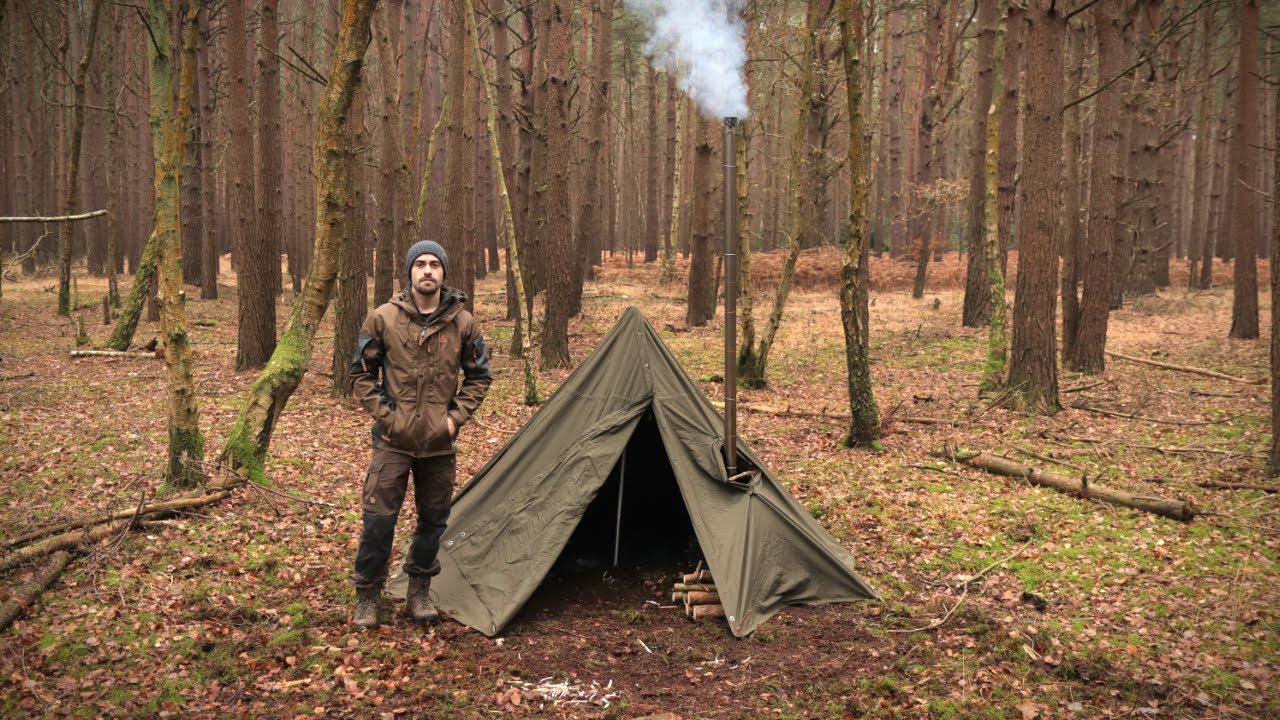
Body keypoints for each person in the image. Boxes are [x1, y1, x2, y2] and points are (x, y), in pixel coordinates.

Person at [349, 240, 491, 628]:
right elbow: (361, 374)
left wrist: (455, 418)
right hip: (393, 442)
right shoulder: (381, 318)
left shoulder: (464, 323)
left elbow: (479, 377)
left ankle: (419, 592)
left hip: (439, 445)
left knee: (433, 521)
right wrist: (387, 418)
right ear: (409, 271)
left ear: (444, 273)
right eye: (420, 264)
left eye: (434, 265)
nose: (427, 271)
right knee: (379, 521)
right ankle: (368, 596)